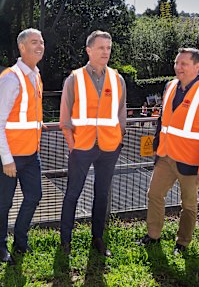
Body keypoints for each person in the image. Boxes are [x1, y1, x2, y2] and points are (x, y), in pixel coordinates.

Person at [138, 48, 199, 255]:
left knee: (188, 205)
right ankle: (153, 235)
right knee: (154, 194)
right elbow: (163, 120)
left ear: (197, 67)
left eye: (183, 64)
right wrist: (156, 147)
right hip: (165, 155)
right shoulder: (170, 85)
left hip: (191, 160)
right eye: (176, 63)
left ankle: (183, 243)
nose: (178, 67)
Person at [59, 30, 127, 257]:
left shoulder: (118, 79)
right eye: (101, 47)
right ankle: (65, 241)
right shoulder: (74, 79)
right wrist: (72, 144)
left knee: (102, 194)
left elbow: (121, 116)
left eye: (108, 47)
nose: (106, 52)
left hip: (109, 148)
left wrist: (118, 141)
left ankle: (98, 238)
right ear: (89, 50)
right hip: (82, 147)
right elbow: (65, 118)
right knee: (72, 193)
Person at [0, 28, 45, 265]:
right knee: (5, 201)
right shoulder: (11, 78)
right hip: (10, 156)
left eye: (42, 42)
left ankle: (20, 242)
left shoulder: (36, 75)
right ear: (22, 47)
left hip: (31, 154)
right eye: (34, 42)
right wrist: (7, 159)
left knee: (34, 196)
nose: (40, 46)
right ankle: (1, 246)